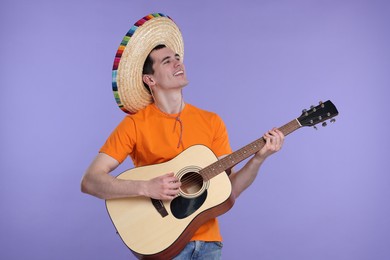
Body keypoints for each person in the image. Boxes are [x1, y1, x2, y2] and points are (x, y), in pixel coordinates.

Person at [81, 13, 284, 259]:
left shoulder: (212, 122)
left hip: (209, 246)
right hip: (161, 244)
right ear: (150, 79)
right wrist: (146, 187)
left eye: (178, 57)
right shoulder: (134, 125)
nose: (179, 63)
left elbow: (229, 191)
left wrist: (258, 159)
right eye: (167, 61)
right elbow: (90, 181)